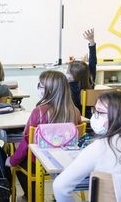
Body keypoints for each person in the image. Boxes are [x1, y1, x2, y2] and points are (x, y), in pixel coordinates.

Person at [5, 70, 81, 201]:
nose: (38, 88)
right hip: (65, 163)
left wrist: (12, 160)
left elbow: (26, 143)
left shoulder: (39, 112)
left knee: (14, 155)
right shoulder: (75, 112)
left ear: (49, 90)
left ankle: (31, 196)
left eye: (40, 85)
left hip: (39, 163)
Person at [66, 29, 97, 118]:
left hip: (73, 120)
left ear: (74, 75)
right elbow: (93, 63)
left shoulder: (68, 86)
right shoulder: (90, 81)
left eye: (68, 72)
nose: (66, 74)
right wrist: (91, 41)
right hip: (89, 120)